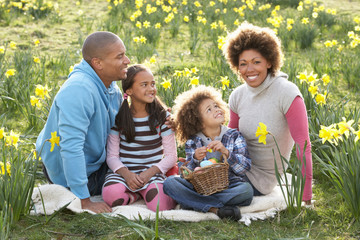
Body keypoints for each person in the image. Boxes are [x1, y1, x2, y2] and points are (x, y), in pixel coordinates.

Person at [36, 31, 130, 213]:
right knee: (136, 182)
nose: (127, 60)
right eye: (120, 57)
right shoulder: (79, 91)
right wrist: (84, 201)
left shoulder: (109, 85)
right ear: (98, 63)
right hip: (71, 173)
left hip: (96, 160)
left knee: (147, 169)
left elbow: (120, 129)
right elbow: (71, 148)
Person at [222, 22, 313, 204]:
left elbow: (303, 145)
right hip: (235, 168)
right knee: (184, 182)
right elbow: (229, 140)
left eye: (257, 62)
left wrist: (306, 197)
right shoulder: (238, 95)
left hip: (260, 180)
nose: (250, 70)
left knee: (236, 192)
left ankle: (201, 202)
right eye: (243, 64)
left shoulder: (287, 93)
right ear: (236, 66)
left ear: (269, 62)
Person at [163, 85, 253, 221]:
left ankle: (194, 202)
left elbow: (244, 168)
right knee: (169, 183)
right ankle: (215, 209)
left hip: (229, 186)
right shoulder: (193, 142)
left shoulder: (234, 136)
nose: (216, 110)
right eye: (209, 110)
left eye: (216, 106)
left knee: (246, 191)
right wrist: (194, 159)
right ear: (198, 121)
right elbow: (187, 175)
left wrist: (226, 152)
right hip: (199, 188)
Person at [102, 64, 177, 212]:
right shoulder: (118, 119)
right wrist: (127, 175)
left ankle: (144, 193)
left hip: (152, 174)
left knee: (160, 206)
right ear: (129, 90)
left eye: (153, 84)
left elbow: (171, 156)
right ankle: (134, 196)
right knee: (111, 196)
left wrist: (148, 174)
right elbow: (111, 156)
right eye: (144, 85)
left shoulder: (163, 118)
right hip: (123, 174)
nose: (151, 89)